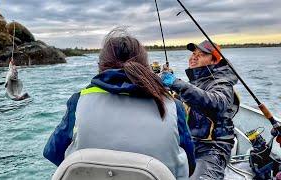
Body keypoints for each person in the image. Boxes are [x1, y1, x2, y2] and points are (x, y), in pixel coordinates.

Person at [43, 29, 191, 179]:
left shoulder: (78, 101)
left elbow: (52, 152)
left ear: (100, 65)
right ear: (145, 66)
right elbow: (190, 165)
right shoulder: (174, 106)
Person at [161, 40, 240, 179]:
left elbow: (217, 103)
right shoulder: (195, 82)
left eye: (202, 54)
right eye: (193, 53)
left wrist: (177, 83)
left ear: (214, 60)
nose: (194, 57)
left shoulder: (222, 82)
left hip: (213, 148)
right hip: (189, 143)